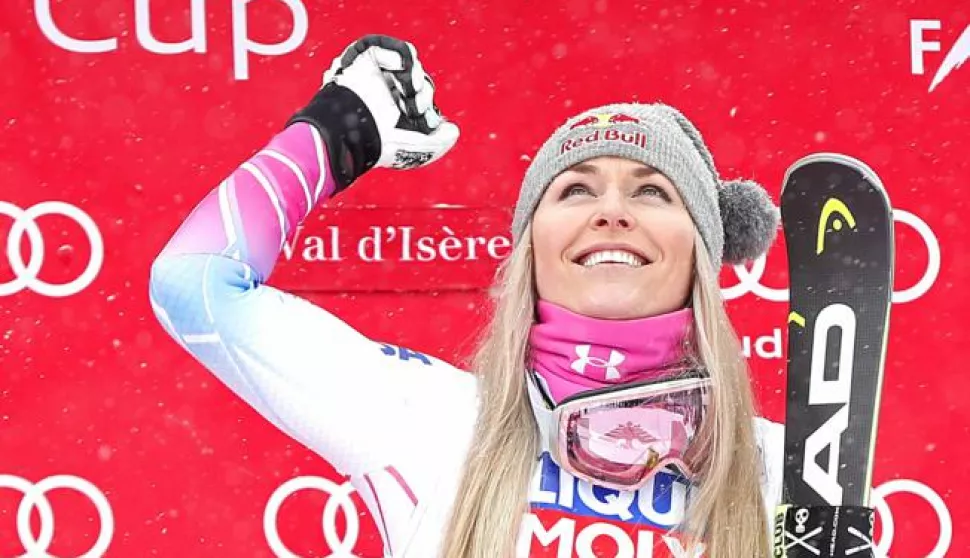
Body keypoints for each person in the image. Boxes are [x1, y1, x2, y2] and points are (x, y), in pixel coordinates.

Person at [148, 35, 870, 558]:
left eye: (652, 191)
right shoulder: (422, 420)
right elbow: (195, 284)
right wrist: (339, 133)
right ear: (530, 251)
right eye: (575, 189)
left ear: (703, 250)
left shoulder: (795, 472)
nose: (611, 211)